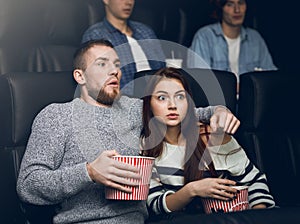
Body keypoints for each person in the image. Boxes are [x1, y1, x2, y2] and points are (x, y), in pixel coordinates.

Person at [16, 39, 240, 224]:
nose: (115, 71)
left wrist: (218, 110)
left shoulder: (134, 109)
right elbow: (27, 186)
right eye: (102, 64)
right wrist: (89, 172)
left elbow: (184, 111)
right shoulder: (57, 116)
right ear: (80, 76)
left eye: (116, 65)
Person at [140, 67, 275, 220]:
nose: (172, 105)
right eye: (162, 98)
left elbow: (255, 181)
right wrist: (193, 190)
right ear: (149, 104)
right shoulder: (146, 147)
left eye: (180, 97)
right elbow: (156, 205)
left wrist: (257, 217)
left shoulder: (212, 135)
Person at [187, 0, 277, 93]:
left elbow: (271, 78)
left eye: (241, 3)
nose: (237, 10)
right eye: (230, 4)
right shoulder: (205, 36)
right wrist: (240, 89)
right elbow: (200, 81)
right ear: (220, 8)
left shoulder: (255, 38)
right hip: (219, 102)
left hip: (251, 103)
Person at [82, 0, 165, 96]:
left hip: (159, 94)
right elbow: (97, 82)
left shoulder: (145, 31)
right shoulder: (96, 35)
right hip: (126, 99)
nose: (128, 2)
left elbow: (163, 68)